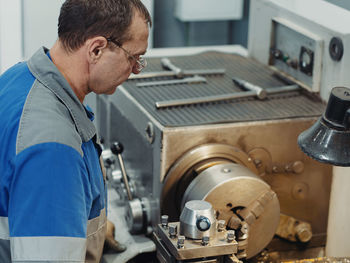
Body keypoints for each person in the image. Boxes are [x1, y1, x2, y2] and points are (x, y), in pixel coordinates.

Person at [0, 0, 151, 262]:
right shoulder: (53, 148)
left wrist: (82, 220)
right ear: (96, 49)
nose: (136, 70)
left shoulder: (18, 76)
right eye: (133, 57)